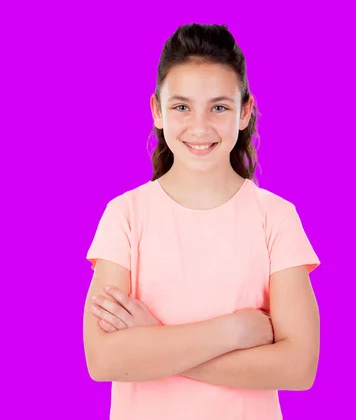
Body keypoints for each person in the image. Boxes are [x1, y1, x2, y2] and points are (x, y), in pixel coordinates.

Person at [82, 23, 321, 420]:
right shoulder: (124, 216)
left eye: (219, 107)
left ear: (245, 112)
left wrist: (152, 344)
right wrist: (236, 333)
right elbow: (103, 360)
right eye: (181, 106)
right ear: (157, 111)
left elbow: (298, 368)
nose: (199, 126)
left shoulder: (276, 218)